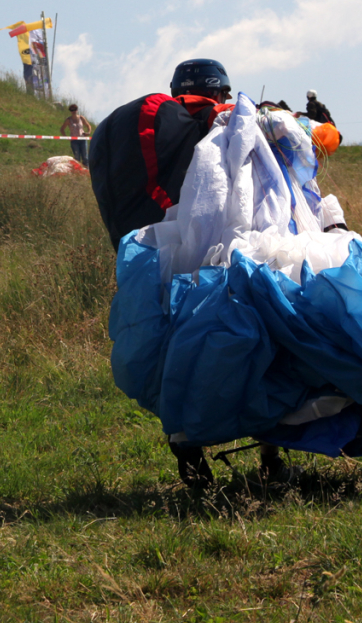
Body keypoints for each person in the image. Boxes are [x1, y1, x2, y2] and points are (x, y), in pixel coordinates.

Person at [89, 58, 297, 488]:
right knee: (257, 340)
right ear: (219, 90)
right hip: (211, 260)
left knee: (174, 355)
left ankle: (188, 454)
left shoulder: (153, 131)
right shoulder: (213, 115)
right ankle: (270, 458)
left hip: (153, 262)